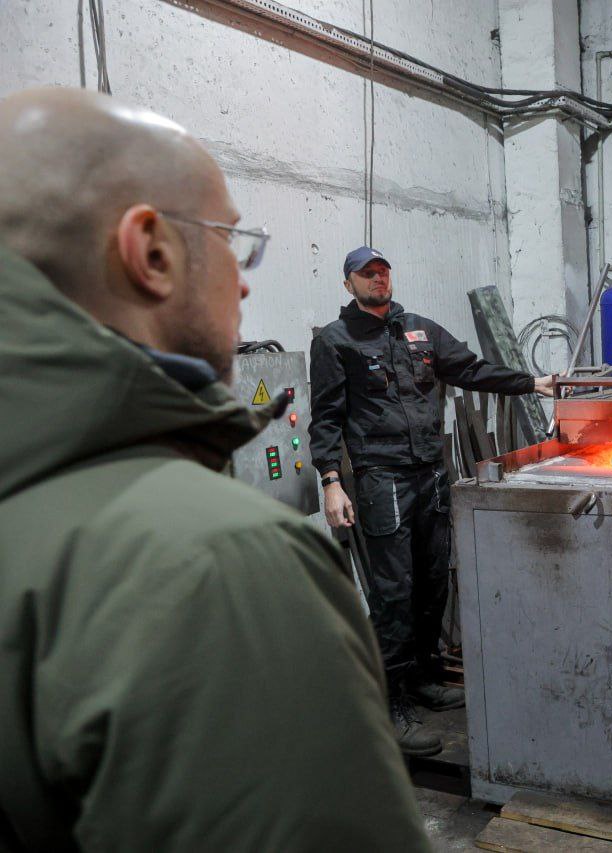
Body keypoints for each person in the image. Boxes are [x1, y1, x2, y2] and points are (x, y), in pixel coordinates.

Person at [0, 87, 431, 851]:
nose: (243, 281)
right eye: (233, 241)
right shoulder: (219, 565)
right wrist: (332, 479)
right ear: (152, 252)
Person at [310, 247, 553, 751]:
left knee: (432, 582)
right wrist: (331, 480)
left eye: (383, 271)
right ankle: (389, 705)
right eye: (366, 274)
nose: (378, 279)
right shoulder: (336, 341)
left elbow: (471, 370)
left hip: (430, 474)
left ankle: (421, 678)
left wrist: (532, 382)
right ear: (348, 283)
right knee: (394, 594)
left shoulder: (419, 329)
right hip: (382, 480)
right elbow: (327, 416)